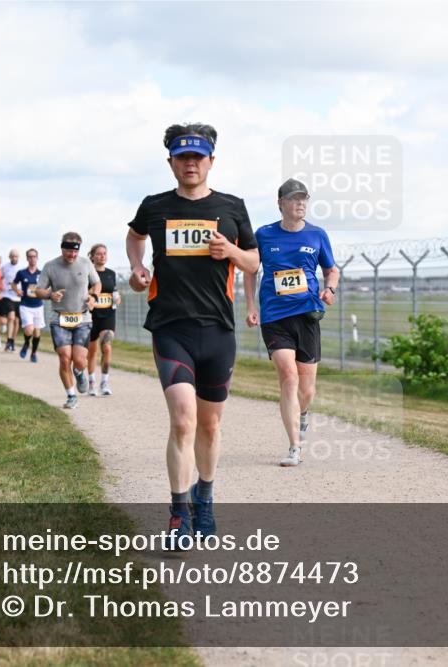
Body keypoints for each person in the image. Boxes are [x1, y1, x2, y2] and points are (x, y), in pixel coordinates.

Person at [126, 122, 259, 550]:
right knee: (183, 419)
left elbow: (254, 262)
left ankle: (205, 497)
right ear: (170, 162)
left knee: (210, 424)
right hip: (171, 328)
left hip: (218, 330)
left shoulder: (232, 207)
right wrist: (138, 268)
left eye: (197, 157)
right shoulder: (155, 206)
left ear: (211, 161)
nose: (190, 163)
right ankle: (178, 514)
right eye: (182, 157)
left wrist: (231, 252)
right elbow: (135, 236)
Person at [244, 179, 340, 467]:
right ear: (280, 203)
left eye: (304, 198)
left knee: (307, 390)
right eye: (294, 198)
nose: (300, 203)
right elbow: (250, 270)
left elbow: (331, 270)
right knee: (288, 376)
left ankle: (303, 412)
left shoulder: (317, 235)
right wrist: (251, 306)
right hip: (275, 316)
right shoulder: (264, 234)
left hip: (307, 314)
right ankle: (294, 446)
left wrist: (330, 289)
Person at [37, 232, 100, 409]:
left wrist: (94, 297)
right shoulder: (50, 266)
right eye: (68, 251)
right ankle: (71, 395)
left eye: (75, 252)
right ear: (62, 248)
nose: (72, 255)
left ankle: (79, 372)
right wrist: (50, 295)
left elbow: (97, 283)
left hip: (82, 318)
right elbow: (39, 290)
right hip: (59, 319)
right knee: (65, 358)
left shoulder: (86, 263)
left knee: (79, 360)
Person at [86, 243, 120, 396]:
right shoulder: (88, 274)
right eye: (99, 254)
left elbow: (114, 291)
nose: (102, 256)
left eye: (104, 253)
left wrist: (117, 298)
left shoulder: (111, 273)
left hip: (108, 314)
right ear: (92, 256)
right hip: (91, 316)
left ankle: (104, 382)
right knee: (92, 351)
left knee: (106, 347)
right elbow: (82, 293)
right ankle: (91, 382)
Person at [13, 248, 44, 363]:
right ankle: (26, 343)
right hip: (25, 305)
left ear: (37, 258)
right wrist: (17, 290)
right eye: (30, 256)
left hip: (38, 305)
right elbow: (13, 284)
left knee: (36, 332)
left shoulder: (41, 274)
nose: (32, 259)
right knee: (29, 329)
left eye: (34, 256)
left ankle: (34, 353)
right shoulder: (21, 273)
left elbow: (47, 286)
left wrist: (45, 292)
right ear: (27, 258)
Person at [0, 248, 22, 351]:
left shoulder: (22, 268)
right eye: (12, 256)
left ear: (18, 257)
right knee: (11, 317)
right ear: (9, 257)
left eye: (16, 256)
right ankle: (8, 340)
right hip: (8, 295)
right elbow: (0, 278)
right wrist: (1, 286)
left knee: (17, 321)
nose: (14, 258)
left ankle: (12, 341)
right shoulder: (4, 267)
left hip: (19, 296)